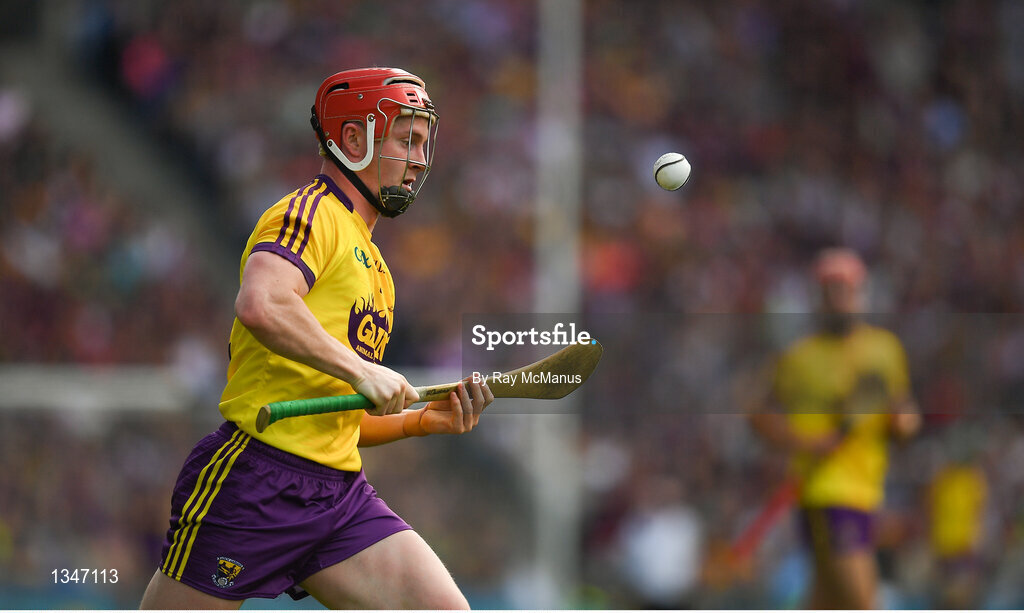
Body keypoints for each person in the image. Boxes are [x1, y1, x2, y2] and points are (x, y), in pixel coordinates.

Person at [140, 67, 493, 609]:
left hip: (339, 495)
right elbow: (263, 303)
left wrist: (421, 420)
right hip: (256, 480)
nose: (421, 157)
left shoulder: (376, 265)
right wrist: (361, 369)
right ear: (353, 139)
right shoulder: (309, 212)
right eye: (407, 138)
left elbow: (340, 415)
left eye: (424, 142)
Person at [748, 248, 920, 609]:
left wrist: (903, 424)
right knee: (862, 604)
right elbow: (759, 416)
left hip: (866, 489)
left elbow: (903, 413)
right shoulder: (798, 358)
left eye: (846, 290)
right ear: (818, 297)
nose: (839, 299)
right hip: (824, 490)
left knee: (827, 603)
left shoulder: (885, 349)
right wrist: (807, 442)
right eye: (830, 291)